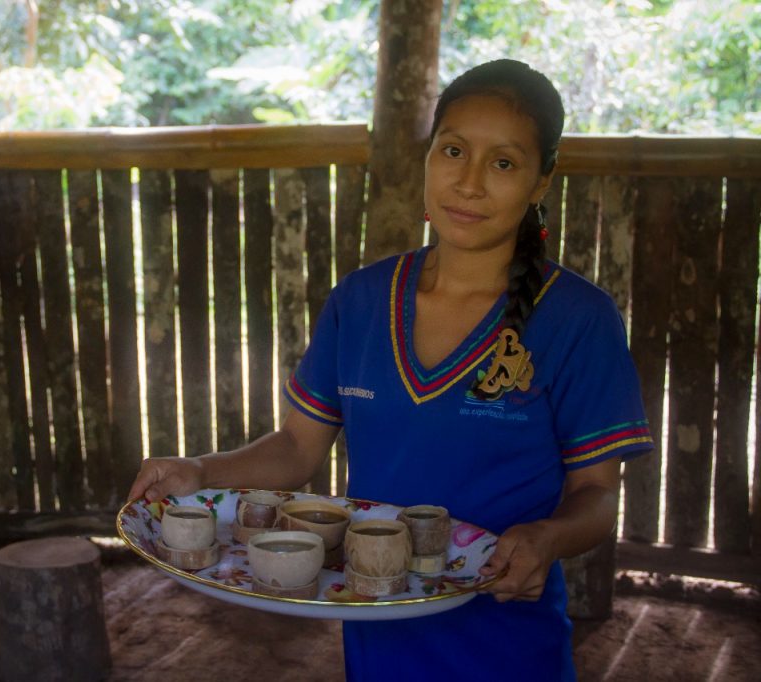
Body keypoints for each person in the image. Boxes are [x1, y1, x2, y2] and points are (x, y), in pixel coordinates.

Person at [128, 59, 653, 681]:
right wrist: (199, 471)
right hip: (376, 633)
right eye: (453, 150)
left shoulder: (577, 319)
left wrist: (547, 538)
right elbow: (297, 449)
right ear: (429, 156)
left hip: (507, 645)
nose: (470, 182)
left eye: (504, 162)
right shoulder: (361, 300)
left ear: (542, 180)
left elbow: (595, 497)